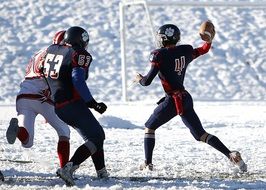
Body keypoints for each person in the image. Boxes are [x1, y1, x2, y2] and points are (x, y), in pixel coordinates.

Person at [134, 23, 247, 172]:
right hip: (185, 98)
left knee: (149, 127)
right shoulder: (185, 50)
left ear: (164, 39)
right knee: (200, 135)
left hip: (173, 100)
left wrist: (139, 79)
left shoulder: (158, 55)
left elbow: (147, 81)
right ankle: (231, 155)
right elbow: (203, 50)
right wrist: (209, 41)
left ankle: (148, 163)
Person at [43, 26, 108, 186]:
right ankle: (68, 168)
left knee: (94, 134)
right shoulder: (78, 54)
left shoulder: (52, 50)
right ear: (81, 41)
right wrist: (92, 103)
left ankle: (102, 172)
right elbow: (77, 79)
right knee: (97, 136)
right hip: (72, 103)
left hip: (59, 105)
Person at [6, 31, 71, 168]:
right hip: (42, 97)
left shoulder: (38, 54)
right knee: (64, 131)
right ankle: (65, 168)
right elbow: (53, 76)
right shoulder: (59, 53)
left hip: (23, 96)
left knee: (27, 142)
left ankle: (18, 130)